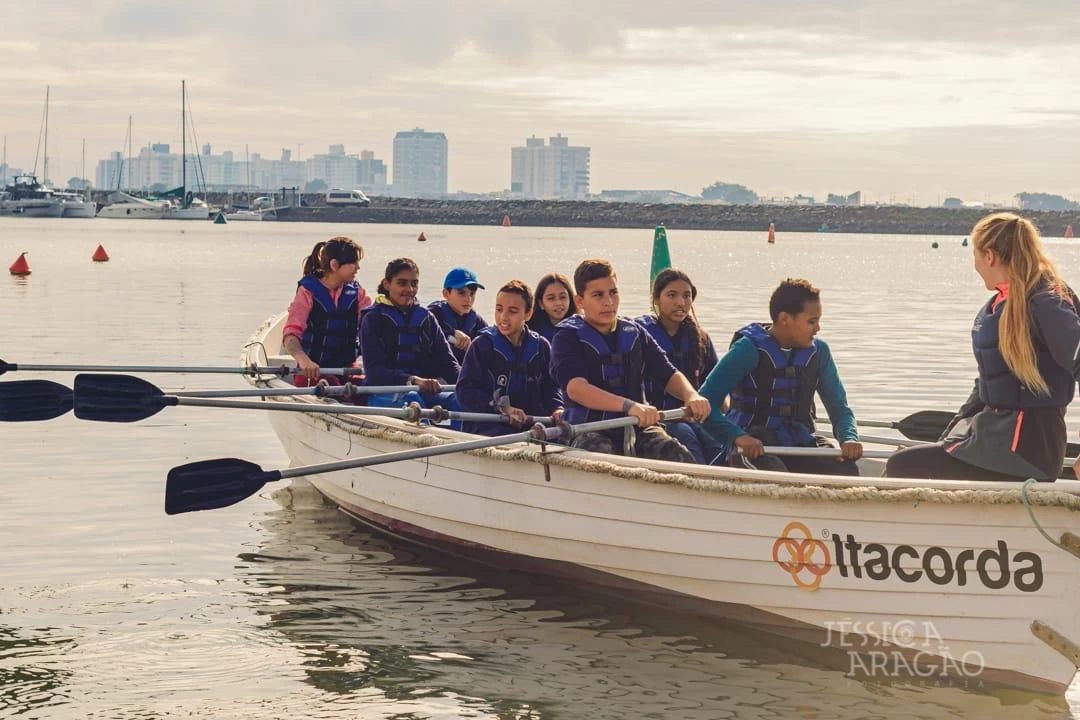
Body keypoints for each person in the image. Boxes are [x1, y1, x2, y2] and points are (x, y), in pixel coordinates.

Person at [886, 213, 1080, 481]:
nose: (974, 264)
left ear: (989, 256)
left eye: (974, 255)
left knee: (901, 466)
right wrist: (949, 436)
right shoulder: (999, 305)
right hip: (992, 440)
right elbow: (987, 384)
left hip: (1025, 452)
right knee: (909, 461)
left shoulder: (1048, 303)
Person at [549, 259, 711, 462]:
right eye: (598, 295)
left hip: (638, 426)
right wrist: (629, 406)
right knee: (602, 457)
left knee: (678, 455)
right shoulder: (567, 336)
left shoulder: (634, 332)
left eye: (613, 292)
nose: (609, 302)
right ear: (580, 301)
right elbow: (575, 388)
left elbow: (668, 372)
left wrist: (691, 395)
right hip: (589, 429)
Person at [699, 278, 863, 476]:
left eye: (818, 321)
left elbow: (840, 408)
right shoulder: (747, 350)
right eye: (811, 322)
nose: (818, 329)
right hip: (752, 444)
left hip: (798, 441)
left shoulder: (820, 352)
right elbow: (706, 403)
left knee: (845, 470)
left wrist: (848, 438)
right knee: (777, 476)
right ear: (785, 318)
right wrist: (737, 437)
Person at [636, 269, 726, 464]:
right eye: (672, 295)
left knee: (717, 442)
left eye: (687, 296)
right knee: (686, 437)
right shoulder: (640, 335)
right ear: (656, 299)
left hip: (695, 417)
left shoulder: (701, 338)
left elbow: (717, 386)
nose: (681, 302)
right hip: (659, 417)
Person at [456, 280, 563, 435]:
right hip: (489, 424)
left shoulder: (541, 347)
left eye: (512, 311)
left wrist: (557, 408)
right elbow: (465, 391)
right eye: (499, 310)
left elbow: (552, 388)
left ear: (528, 313)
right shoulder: (482, 345)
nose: (503, 317)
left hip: (532, 424)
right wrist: (503, 408)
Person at [360, 257, 461, 410]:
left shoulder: (426, 318)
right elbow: (374, 372)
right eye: (402, 283)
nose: (409, 289)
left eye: (414, 283)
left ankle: (458, 434)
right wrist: (413, 380)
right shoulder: (373, 319)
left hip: (421, 390)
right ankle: (425, 431)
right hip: (384, 392)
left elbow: (448, 364)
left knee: (457, 400)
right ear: (387, 284)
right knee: (412, 398)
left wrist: (470, 383)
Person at [282, 237, 372, 387]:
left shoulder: (357, 293)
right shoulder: (307, 292)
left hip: (347, 369)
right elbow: (290, 336)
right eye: (353, 263)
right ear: (335, 265)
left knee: (367, 385)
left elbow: (372, 324)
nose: (358, 267)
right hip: (313, 372)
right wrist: (304, 361)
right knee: (329, 383)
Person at [428, 267, 488, 364]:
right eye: (461, 293)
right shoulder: (434, 313)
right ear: (446, 294)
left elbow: (491, 339)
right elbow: (422, 331)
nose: (468, 299)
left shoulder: (476, 320)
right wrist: (451, 333)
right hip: (436, 373)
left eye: (472, 294)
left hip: (462, 373)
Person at [527, 272, 577, 342]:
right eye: (551, 298)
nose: (558, 303)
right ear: (541, 303)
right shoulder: (529, 333)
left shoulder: (581, 329)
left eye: (562, 297)